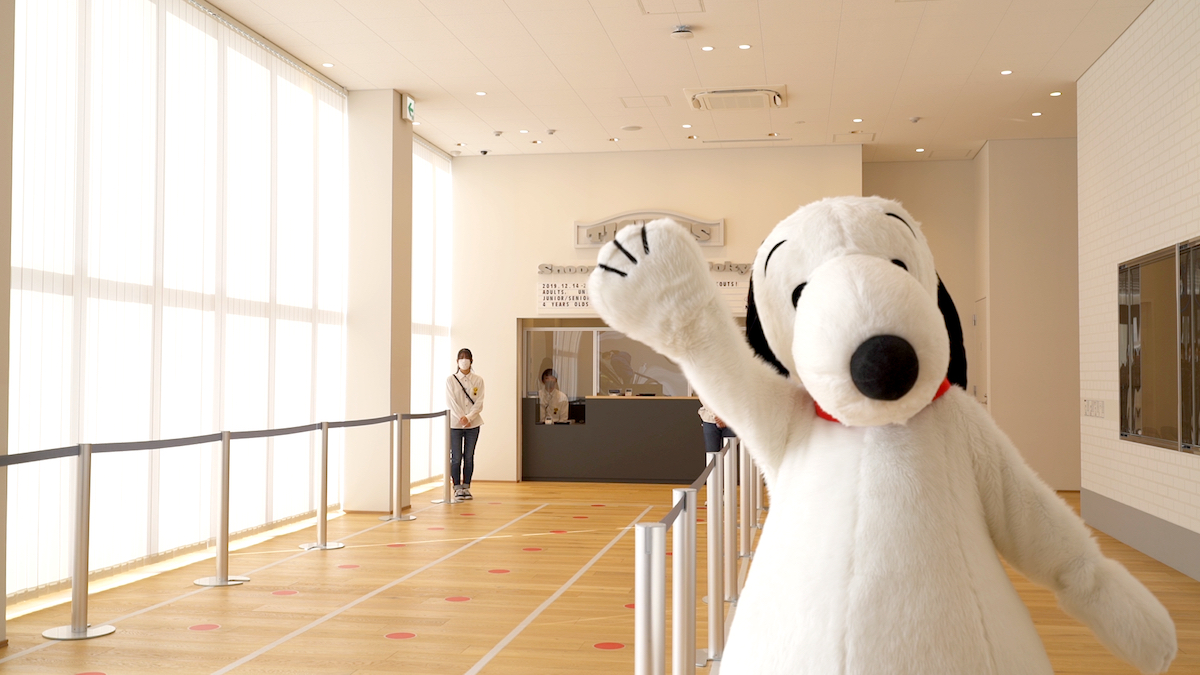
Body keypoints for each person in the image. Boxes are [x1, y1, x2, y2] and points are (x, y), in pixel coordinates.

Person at [446, 348, 484, 500]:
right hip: (455, 425)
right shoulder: (451, 380)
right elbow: (451, 401)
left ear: (471, 361)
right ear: (457, 361)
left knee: (469, 457)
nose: (464, 360)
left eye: (466, 357)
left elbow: (479, 402)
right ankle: (457, 488)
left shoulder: (478, 380)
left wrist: (469, 418)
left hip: (473, 424)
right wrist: (462, 417)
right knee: (456, 457)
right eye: (461, 357)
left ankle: (466, 487)